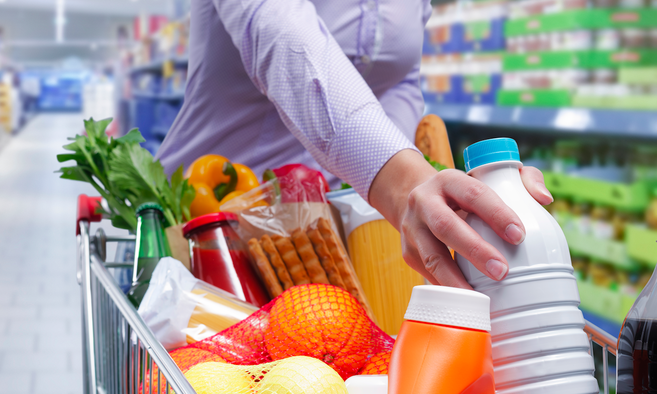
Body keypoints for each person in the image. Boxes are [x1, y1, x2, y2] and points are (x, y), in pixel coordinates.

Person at [156, 0, 554, 289]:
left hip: (315, 241)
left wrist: (442, 208)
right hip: (201, 236)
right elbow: (286, 40)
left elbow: (398, 80)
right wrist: (406, 185)